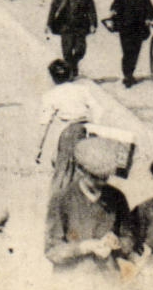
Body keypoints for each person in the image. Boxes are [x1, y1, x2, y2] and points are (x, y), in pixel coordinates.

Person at [45, 137, 136, 272]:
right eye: (95, 177)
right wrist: (83, 247)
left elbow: (129, 240)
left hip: (107, 276)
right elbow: (52, 251)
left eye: (105, 178)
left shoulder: (117, 197)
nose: (101, 183)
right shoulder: (62, 199)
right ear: (80, 170)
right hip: (72, 277)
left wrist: (117, 243)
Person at [33, 59, 109, 194]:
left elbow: (45, 124)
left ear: (52, 78)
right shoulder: (82, 90)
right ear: (70, 75)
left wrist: (38, 148)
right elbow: (98, 109)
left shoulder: (50, 95)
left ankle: (60, 201)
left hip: (68, 134)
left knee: (62, 173)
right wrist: (95, 127)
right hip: (86, 130)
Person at [106, 0, 153, 87]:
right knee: (126, 52)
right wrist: (113, 11)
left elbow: (151, 10)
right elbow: (114, 5)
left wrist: (148, 19)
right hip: (124, 29)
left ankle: (130, 74)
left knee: (135, 53)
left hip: (138, 30)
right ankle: (127, 75)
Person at [46, 0, 98, 76]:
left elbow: (91, 8)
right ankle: (70, 73)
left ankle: (73, 64)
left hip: (81, 26)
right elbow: (53, 8)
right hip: (65, 26)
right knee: (67, 51)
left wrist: (93, 24)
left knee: (80, 50)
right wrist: (49, 24)